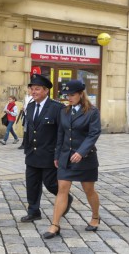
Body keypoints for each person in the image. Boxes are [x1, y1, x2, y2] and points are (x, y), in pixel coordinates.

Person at [43, 80, 101, 239]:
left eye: (72, 95)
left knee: (89, 190)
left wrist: (81, 152)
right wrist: (57, 155)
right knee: (62, 189)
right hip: (66, 158)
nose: (69, 97)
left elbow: (93, 134)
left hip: (86, 159)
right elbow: (60, 134)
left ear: (81, 94)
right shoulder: (64, 111)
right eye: (66, 95)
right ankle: (55, 225)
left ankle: (95, 217)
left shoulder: (92, 112)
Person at [20, 74, 73, 223]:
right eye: (32, 89)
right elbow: (29, 130)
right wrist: (26, 148)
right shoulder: (30, 106)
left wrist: (59, 155)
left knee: (50, 184)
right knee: (32, 185)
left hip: (49, 155)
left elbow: (62, 133)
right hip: (32, 154)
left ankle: (66, 198)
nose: (33, 92)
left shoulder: (57, 108)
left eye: (37, 89)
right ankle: (33, 211)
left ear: (45, 91)